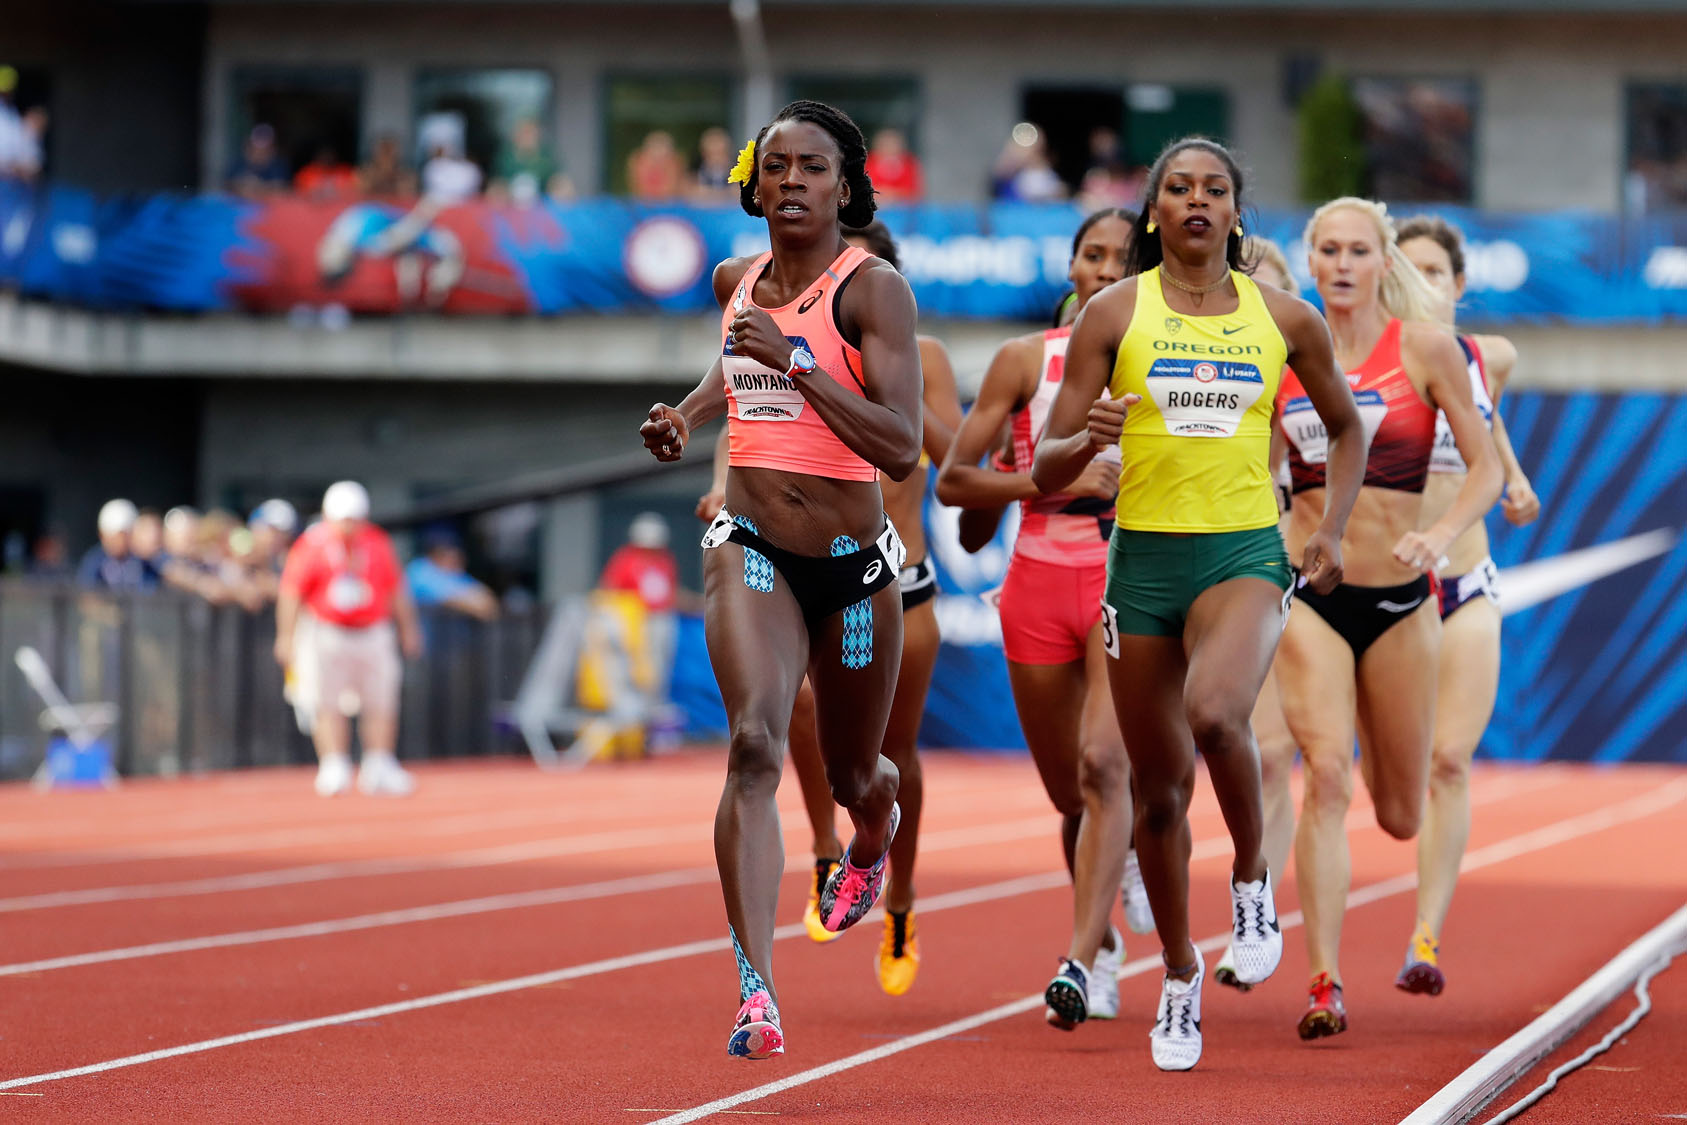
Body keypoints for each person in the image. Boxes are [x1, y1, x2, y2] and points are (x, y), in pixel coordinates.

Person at [1031, 138, 1368, 1071]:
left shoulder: (1286, 317)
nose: (1195, 201)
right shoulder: (1112, 310)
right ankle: (1178, 978)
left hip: (1244, 552)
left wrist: (1329, 529)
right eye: (1177, 188)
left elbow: (1343, 429)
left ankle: (1253, 883)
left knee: (1219, 714)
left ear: (1233, 211)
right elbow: (1046, 462)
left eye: (1213, 190)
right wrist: (1084, 440)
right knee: (1157, 796)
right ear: (1152, 211)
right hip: (1140, 561)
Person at [639, 100, 922, 1060]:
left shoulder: (871, 290)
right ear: (753, 185)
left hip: (850, 567)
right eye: (777, 167)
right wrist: (685, 413)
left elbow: (899, 444)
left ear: (845, 187)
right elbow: (732, 368)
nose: (792, 180)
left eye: (813, 167)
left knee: (854, 773)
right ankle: (755, 988)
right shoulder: (735, 279)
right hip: (748, 543)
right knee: (755, 742)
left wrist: (799, 362)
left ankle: (872, 839)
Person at [703, 220, 961, 996]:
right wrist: (717, 470)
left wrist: (854, 378)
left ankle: (898, 893)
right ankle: (821, 852)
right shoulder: (761, 303)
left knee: (885, 756)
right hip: (777, 552)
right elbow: (744, 412)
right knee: (783, 723)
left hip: (890, 573)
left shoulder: (918, 350)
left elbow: (934, 447)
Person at [1270, 197, 1503, 1041]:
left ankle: (1384, 766)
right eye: (1326, 249)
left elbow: (1482, 470)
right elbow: (1257, 470)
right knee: (1324, 774)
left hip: (1404, 600)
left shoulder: (1425, 349)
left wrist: (1437, 536)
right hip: (1313, 599)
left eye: (1356, 250)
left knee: (1400, 809)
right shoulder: (1281, 347)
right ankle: (1323, 979)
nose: (1340, 264)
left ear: (1382, 261)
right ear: (1311, 258)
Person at [936, 208, 1147, 1030]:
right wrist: (1047, 481)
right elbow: (954, 481)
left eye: (1120, 257)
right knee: (1073, 794)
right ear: (1070, 267)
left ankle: (1085, 956)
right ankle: (1115, 862)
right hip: (1033, 580)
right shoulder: (1023, 359)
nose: (1103, 268)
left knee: (1103, 767)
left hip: (1123, 573)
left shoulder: (1165, 357)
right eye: (1091, 254)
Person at [1393, 214, 1540, 997]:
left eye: (1434, 273)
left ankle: (1425, 934)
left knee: (1449, 761)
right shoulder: (1370, 364)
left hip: (1464, 581)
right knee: (1349, 774)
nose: (1421, 286)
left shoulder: (1492, 356)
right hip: (1382, 594)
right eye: (1406, 271)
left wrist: (1510, 476)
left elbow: (1482, 414)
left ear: (1459, 285)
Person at [275, 481, 423, 798]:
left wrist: (409, 629)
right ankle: (334, 764)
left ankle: (379, 764)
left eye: (354, 518)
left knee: (381, 700)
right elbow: (291, 593)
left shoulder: (377, 542)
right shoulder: (312, 545)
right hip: (326, 631)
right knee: (325, 700)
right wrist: (286, 636)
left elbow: (396, 589)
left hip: (372, 630)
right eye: (343, 518)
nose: (349, 525)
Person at [407, 527, 498, 621]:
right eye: (448, 549)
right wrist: (471, 602)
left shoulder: (454, 573)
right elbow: (449, 600)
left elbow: (488, 600)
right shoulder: (420, 569)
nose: (456, 555)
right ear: (436, 552)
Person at [78, 499, 158, 591]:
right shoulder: (94, 562)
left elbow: (152, 589)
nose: (117, 542)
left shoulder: (144, 563)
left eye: (123, 536)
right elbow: (87, 596)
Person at [225, 124, 290, 198]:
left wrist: (258, 188)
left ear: (272, 150)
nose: (258, 153)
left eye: (264, 149)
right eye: (255, 148)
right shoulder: (238, 163)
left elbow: (281, 189)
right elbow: (228, 186)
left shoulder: (278, 166)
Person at [863, 128, 923, 204]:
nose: (889, 148)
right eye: (885, 144)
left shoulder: (908, 164)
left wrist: (891, 194)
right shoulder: (868, 162)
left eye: (893, 144)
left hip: (902, 207)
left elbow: (914, 192)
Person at [626, 130, 686, 200]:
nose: (656, 169)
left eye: (664, 161)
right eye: (650, 160)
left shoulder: (694, 207)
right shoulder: (617, 207)